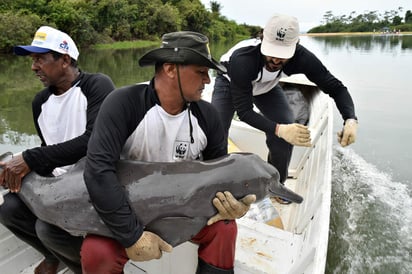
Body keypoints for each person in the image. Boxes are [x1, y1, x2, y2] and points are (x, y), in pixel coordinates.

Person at [81, 31, 256, 274]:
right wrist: (132, 236)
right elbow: (97, 172)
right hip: (129, 207)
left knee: (225, 227)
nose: (208, 80)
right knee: (96, 252)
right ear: (171, 69)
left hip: (184, 210)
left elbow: (221, 175)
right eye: (201, 72)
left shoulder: (209, 116)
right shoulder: (123, 103)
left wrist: (235, 204)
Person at [0, 26, 115, 274]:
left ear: (65, 60)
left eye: (40, 58)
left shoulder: (97, 86)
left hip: (94, 184)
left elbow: (93, 142)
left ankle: (82, 266)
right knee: (8, 209)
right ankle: (53, 256)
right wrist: (15, 170)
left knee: (45, 228)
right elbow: (49, 150)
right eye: (32, 60)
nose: (33, 67)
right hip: (58, 187)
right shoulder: (40, 102)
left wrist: (29, 158)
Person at [211, 14, 358, 199]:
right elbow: (244, 112)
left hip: (267, 87)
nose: (275, 60)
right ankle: (216, 186)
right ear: (263, 38)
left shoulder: (302, 58)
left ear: (295, 47)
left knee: (286, 128)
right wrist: (279, 129)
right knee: (215, 133)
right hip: (230, 82)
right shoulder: (243, 59)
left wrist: (350, 118)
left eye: (283, 56)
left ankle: (276, 185)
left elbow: (336, 88)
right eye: (271, 52)